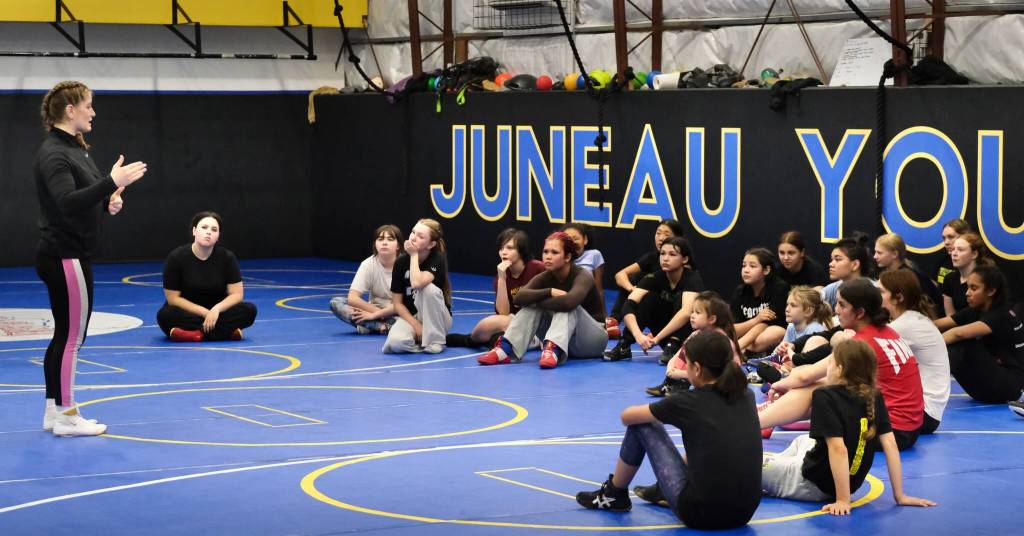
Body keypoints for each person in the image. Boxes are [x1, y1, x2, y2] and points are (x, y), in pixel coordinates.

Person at [35, 81, 147, 437]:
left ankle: (54, 411)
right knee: (72, 338)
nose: (93, 112)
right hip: (65, 256)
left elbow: (86, 196)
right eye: (88, 106)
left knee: (63, 335)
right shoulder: (55, 153)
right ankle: (68, 414)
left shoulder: (75, 149)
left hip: (70, 253)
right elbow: (66, 201)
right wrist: (110, 181)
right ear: (70, 110)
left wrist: (109, 199)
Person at [575, 331, 762, 530]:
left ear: (697, 368)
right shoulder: (746, 394)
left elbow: (627, 416)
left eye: (687, 364)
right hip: (745, 511)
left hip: (701, 514)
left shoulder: (689, 402)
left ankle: (614, 493)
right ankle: (651, 491)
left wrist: (667, 408)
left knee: (643, 423)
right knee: (707, 437)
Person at [761, 339, 937, 515]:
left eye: (829, 364)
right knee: (802, 440)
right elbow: (890, 444)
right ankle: (778, 466)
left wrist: (842, 500)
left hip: (810, 484)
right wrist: (900, 495)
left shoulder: (824, 395)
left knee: (749, 465)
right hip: (845, 482)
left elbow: (839, 450)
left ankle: (771, 470)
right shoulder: (874, 395)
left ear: (839, 369)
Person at [760, 279, 925, 450]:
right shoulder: (889, 332)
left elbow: (804, 376)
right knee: (826, 385)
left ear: (860, 312)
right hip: (909, 429)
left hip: (889, 431)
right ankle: (769, 418)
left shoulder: (862, 342)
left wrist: (778, 385)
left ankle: (757, 423)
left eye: (842, 305)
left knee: (816, 391)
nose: (836, 310)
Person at [477, 231, 607, 369]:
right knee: (535, 302)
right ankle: (505, 349)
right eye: (545, 252)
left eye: (554, 252)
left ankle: (552, 348)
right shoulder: (545, 276)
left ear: (567, 256)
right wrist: (549, 292)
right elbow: (519, 297)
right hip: (567, 342)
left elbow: (569, 302)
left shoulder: (583, 275)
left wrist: (538, 301)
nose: (548, 257)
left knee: (564, 304)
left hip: (593, 341)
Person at [157, 212, 258, 342]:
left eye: (214, 229)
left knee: (249, 310)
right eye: (204, 227)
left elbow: (237, 294)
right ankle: (225, 332)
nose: (208, 232)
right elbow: (173, 299)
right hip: (189, 311)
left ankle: (194, 334)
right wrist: (205, 313)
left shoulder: (227, 257)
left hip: (219, 312)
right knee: (165, 315)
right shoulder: (176, 258)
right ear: (194, 231)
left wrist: (216, 310)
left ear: (218, 236)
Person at [603, 237, 703, 363]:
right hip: (663, 333)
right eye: (662, 254)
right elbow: (628, 306)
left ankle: (673, 345)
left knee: (682, 301)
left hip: (685, 336)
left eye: (672, 254)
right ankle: (624, 345)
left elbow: (686, 313)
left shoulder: (692, 278)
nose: (665, 258)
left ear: (685, 259)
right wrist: (638, 335)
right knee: (647, 299)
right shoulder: (654, 277)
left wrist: (656, 339)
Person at [935, 265, 1024, 403]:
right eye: (968, 287)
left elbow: (958, 334)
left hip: (1008, 389)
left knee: (962, 343)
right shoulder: (976, 310)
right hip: (985, 389)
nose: (967, 293)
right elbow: (936, 324)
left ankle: (923, 385)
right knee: (955, 341)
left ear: (991, 291)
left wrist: (927, 348)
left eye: (974, 288)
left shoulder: (1001, 315)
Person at [446, 228, 544, 347]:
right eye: (501, 248)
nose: (504, 252)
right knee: (491, 332)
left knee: (491, 328)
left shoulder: (538, 268)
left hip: (537, 323)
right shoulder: (501, 276)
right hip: (514, 321)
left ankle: (470, 341)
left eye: (509, 248)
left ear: (521, 251)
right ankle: (474, 340)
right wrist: (502, 280)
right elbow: (503, 313)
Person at [879, 270, 949, 434]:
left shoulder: (906, 325)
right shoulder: (909, 319)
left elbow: (856, 349)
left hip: (922, 414)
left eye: (881, 292)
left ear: (898, 298)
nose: (876, 296)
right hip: (925, 412)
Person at [646, 291, 742, 397]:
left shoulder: (718, 340)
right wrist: (671, 367)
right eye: (692, 312)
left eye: (697, 312)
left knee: (694, 360)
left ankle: (681, 383)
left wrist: (680, 374)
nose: (692, 316)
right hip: (706, 376)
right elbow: (680, 353)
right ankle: (670, 383)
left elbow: (712, 371)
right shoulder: (696, 334)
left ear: (712, 319)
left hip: (725, 381)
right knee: (687, 354)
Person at [382, 218, 452, 354]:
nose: (413, 238)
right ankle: (421, 341)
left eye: (420, 236)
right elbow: (397, 303)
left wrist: (414, 255)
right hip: (412, 316)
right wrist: (416, 326)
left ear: (431, 244)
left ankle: (436, 340)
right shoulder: (401, 262)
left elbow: (417, 283)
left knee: (428, 289)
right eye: (413, 232)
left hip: (437, 317)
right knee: (395, 344)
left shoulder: (437, 259)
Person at [609, 219, 686, 327]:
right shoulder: (652, 257)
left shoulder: (684, 262)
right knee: (632, 279)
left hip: (670, 305)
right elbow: (620, 275)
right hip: (648, 300)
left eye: (666, 234)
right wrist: (632, 289)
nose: (661, 238)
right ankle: (613, 322)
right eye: (658, 233)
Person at [329, 224, 402, 334]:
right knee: (336, 302)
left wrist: (378, 315)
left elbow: (408, 304)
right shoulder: (368, 264)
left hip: (398, 312)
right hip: (374, 310)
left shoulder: (407, 265)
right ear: (375, 244)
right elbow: (352, 298)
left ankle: (371, 325)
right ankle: (381, 327)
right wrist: (377, 313)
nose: (384, 242)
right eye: (380, 239)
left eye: (390, 239)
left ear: (398, 245)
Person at [731, 248, 790, 353]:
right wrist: (756, 319)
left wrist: (739, 346)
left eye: (752, 266)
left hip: (765, 336)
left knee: (777, 331)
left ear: (766, 270)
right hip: (745, 336)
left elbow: (765, 324)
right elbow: (732, 329)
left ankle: (741, 352)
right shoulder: (740, 292)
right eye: (744, 265)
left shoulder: (780, 289)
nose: (746, 270)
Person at [874, 233, 943, 308]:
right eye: (875, 252)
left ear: (894, 254)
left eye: (879, 253)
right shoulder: (893, 274)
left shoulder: (910, 277)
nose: (875, 256)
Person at [941, 232, 994, 316]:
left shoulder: (986, 278)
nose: (954, 254)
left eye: (960, 250)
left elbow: (990, 316)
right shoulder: (949, 278)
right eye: (953, 249)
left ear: (974, 254)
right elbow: (950, 317)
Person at [562, 223, 607, 315]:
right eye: (568, 240)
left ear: (585, 240)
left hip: (588, 307)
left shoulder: (594, 255)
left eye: (576, 238)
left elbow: (599, 289)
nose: (572, 243)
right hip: (566, 305)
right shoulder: (559, 258)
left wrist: (604, 315)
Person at [820, 233, 874, 309]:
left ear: (855, 264)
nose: (830, 264)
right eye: (832, 259)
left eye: (838, 259)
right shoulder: (831, 290)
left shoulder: (875, 291)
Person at [934, 218, 971, 287]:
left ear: (965, 236)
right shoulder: (943, 261)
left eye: (950, 237)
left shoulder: (976, 267)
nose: (946, 242)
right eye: (944, 238)